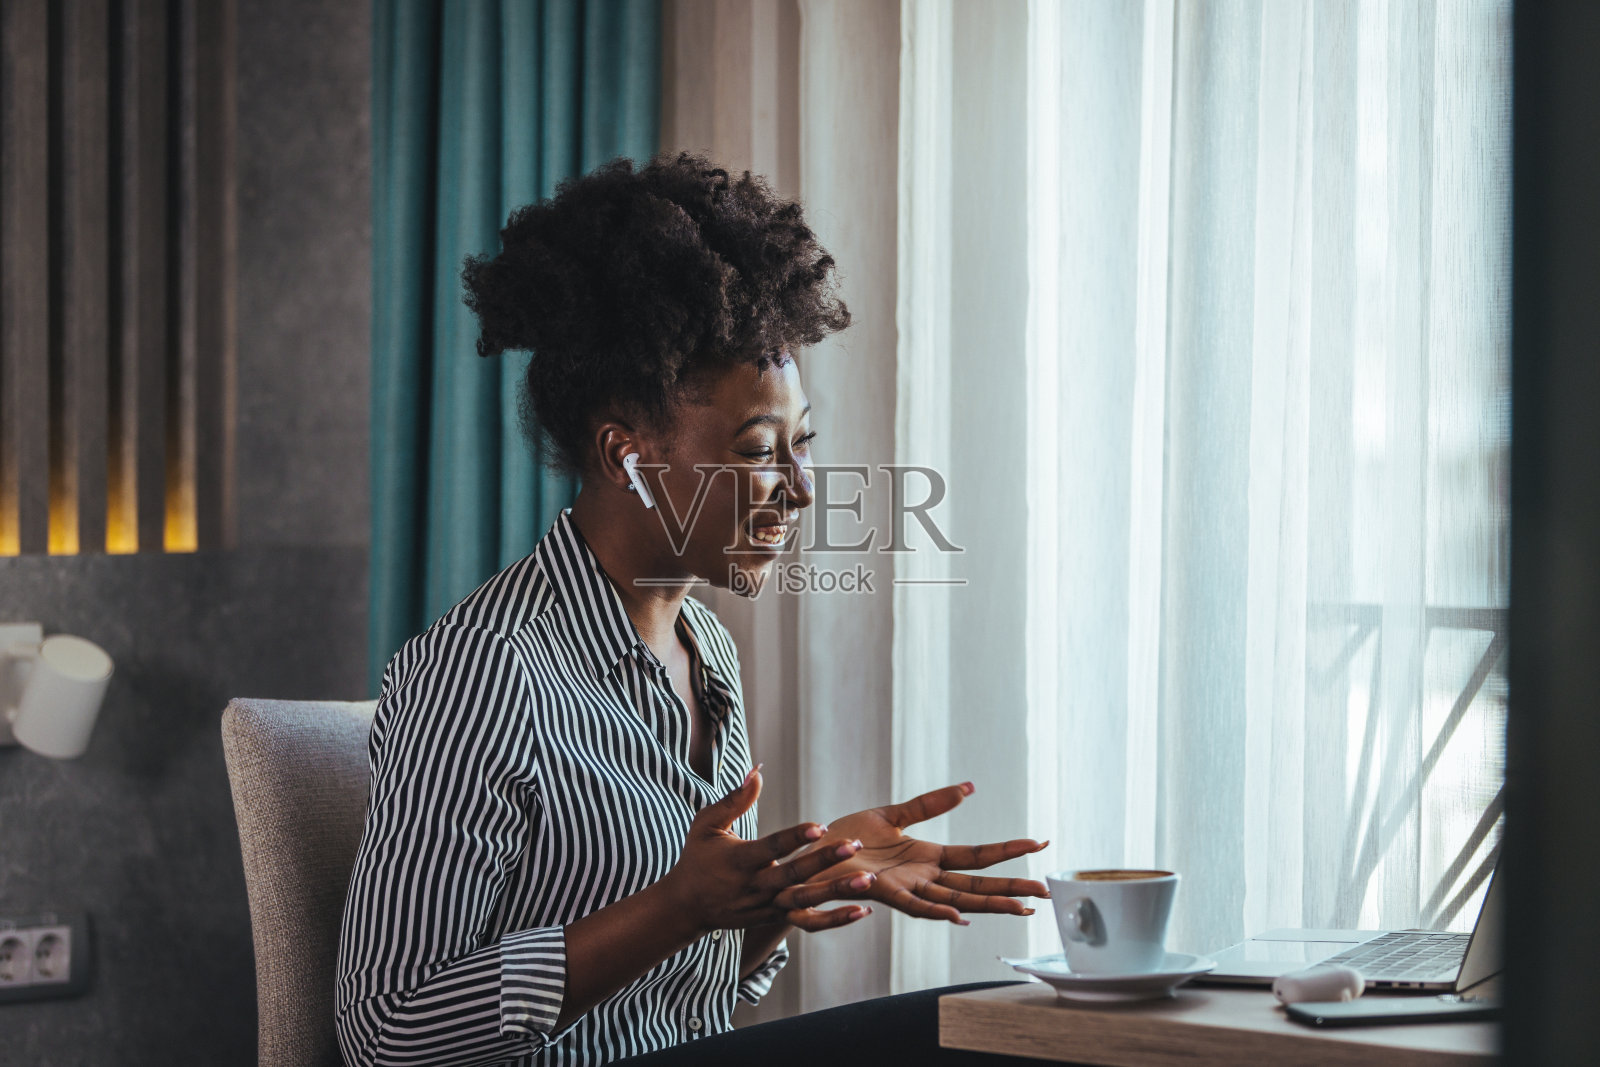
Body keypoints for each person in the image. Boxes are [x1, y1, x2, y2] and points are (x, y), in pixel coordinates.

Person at [335, 152, 1046, 1067]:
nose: (799, 489)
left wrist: (781, 893)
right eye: (758, 450)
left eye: (802, 444)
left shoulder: (704, 648)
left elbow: (695, 994)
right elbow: (385, 1029)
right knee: (982, 1037)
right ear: (625, 453)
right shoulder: (482, 672)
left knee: (1000, 1020)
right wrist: (676, 905)